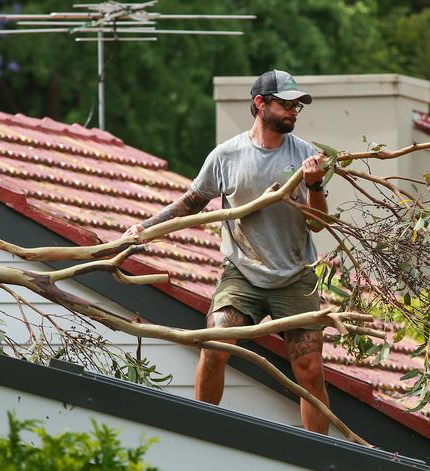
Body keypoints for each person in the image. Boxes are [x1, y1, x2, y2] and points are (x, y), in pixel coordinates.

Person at [123, 70, 332, 433]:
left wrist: (314, 185)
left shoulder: (307, 156)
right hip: (242, 272)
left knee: (310, 369)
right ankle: (200, 431)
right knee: (215, 341)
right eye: (286, 104)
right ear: (260, 104)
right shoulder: (226, 156)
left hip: (296, 275)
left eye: (297, 106)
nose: (294, 112)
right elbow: (189, 204)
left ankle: (324, 456)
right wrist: (145, 228)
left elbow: (317, 224)